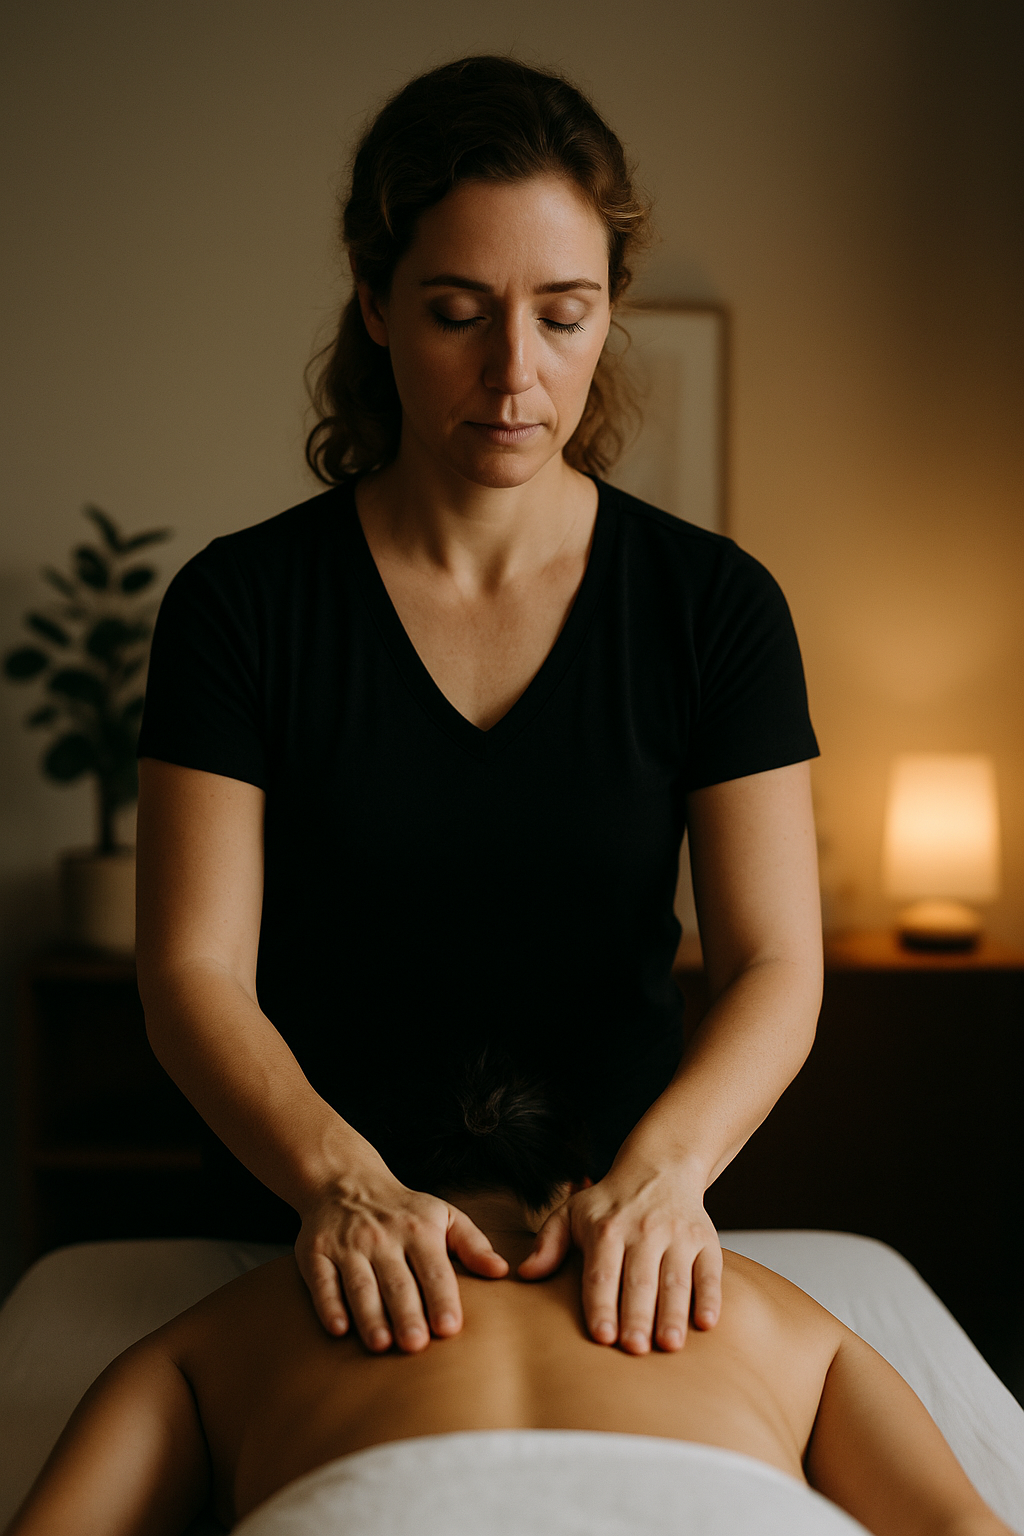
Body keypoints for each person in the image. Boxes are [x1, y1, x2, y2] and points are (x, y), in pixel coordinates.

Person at [134, 54, 824, 1363]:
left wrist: (664, 1176)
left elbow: (776, 966)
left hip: (607, 1252)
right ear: (374, 301)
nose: (515, 373)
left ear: (609, 311)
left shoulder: (714, 607)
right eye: (459, 312)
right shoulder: (240, 607)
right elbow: (191, 974)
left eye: (563, 316)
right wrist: (342, 1185)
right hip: (314, 1242)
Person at [5, 1060, 1012, 1536]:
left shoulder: (241, 1318)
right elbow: (959, 1529)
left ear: (373, 1194)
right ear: (580, 1189)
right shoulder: (761, 1306)